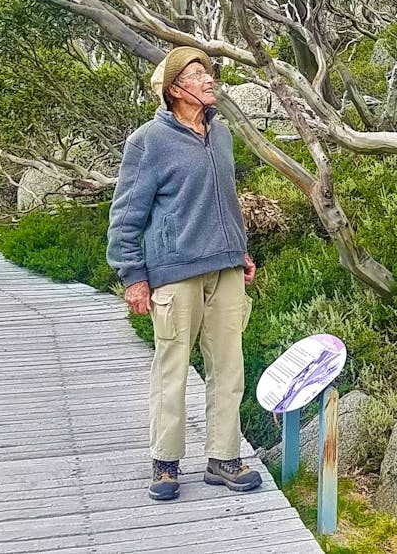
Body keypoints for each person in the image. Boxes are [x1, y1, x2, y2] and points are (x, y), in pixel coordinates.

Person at [107, 46, 262, 501]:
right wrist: (134, 276)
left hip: (226, 269)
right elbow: (125, 216)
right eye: (197, 74)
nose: (209, 79)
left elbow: (225, 199)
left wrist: (241, 251)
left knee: (229, 369)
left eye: (208, 72)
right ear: (175, 90)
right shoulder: (148, 142)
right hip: (174, 274)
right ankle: (165, 464)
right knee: (171, 370)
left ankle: (223, 459)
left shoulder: (222, 134)